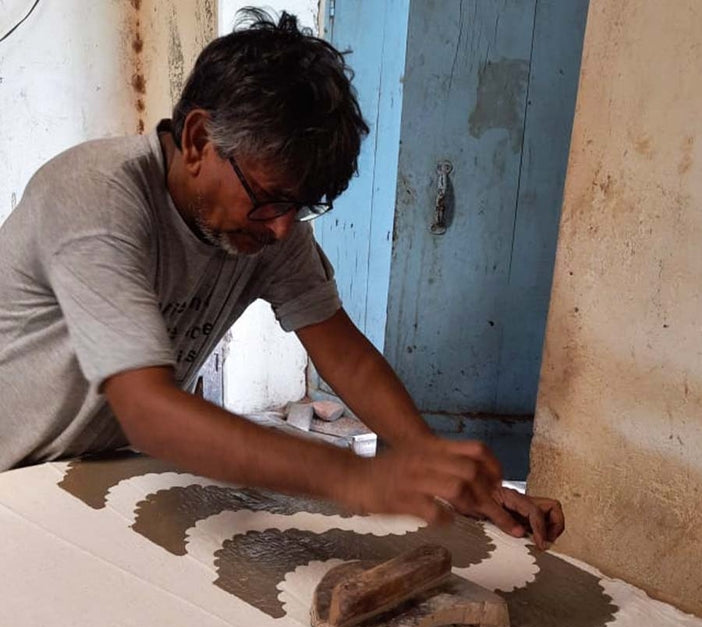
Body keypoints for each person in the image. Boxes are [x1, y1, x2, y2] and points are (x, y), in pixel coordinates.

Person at [0, 9, 563, 549]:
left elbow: (342, 352)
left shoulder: (268, 221)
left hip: (91, 474)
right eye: (269, 201)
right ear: (198, 139)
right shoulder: (96, 198)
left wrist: (435, 465)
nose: (280, 230)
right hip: (12, 478)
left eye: (300, 207)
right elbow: (147, 411)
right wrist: (357, 479)